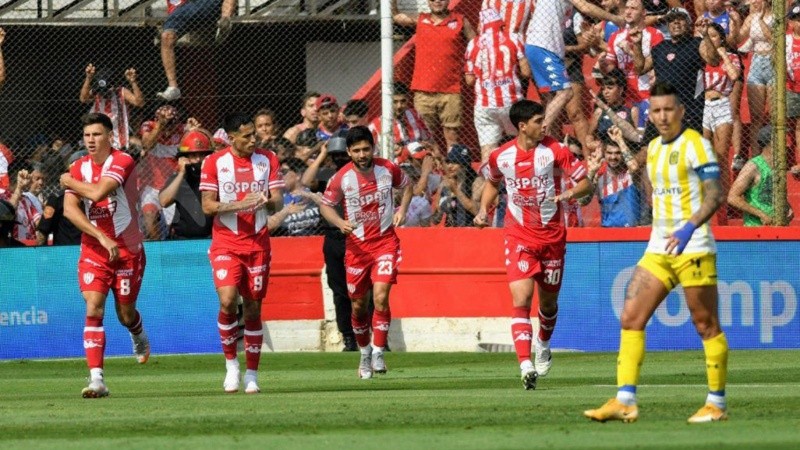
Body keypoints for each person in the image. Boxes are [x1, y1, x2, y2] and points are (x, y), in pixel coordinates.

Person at [584, 82, 728, 424]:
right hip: (658, 246)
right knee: (631, 317)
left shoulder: (696, 145)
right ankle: (625, 400)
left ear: (680, 111)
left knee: (705, 323)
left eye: (668, 110)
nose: (662, 116)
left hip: (692, 245)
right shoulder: (652, 149)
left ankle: (716, 403)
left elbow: (715, 195)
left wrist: (689, 226)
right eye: (656, 111)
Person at [474, 99, 592, 390]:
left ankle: (543, 343)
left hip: (552, 238)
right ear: (523, 126)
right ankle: (525, 365)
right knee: (521, 299)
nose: (545, 125)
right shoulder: (500, 157)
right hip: (519, 236)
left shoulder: (555, 150)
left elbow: (586, 183)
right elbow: (492, 183)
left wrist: (570, 195)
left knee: (548, 302)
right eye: (539, 121)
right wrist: (482, 211)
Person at [60, 113, 151, 398]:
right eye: (87, 135)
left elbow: (99, 192)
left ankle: (137, 333)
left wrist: (69, 181)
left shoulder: (122, 161)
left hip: (127, 250)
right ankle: (97, 379)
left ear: (110, 136)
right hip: (94, 249)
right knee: (93, 308)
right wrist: (99, 235)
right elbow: (69, 209)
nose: (90, 140)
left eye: (97, 135)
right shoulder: (78, 167)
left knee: (125, 314)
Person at [199, 113, 284, 394]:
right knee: (227, 300)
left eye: (253, 135)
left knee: (252, 309)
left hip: (258, 244)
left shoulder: (268, 159)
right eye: (246, 135)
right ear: (232, 137)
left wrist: (266, 201)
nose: (252, 140)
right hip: (226, 243)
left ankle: (253, 375)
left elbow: (277, 201)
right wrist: (238, 204)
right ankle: (232, 366)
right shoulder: (214, 163)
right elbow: (208, 207)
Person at [319, 126, 413, 378]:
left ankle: (380, 352)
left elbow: (408, 186)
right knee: (358, 305)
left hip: (385, 243)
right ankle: (365, 354)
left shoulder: (388, 169)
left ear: (373, 148)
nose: (362, 154)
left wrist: (402, 209)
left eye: (366, 149)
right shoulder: (341, 178)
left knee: (380, 296)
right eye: (357, 150)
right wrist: (339, 223)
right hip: (357, 249)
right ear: (349, 152)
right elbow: (326, 206)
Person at [525, 0, 621, 134]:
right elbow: (585, 7)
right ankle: (539, 132)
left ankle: (543, 134)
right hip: (543, 47)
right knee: (565, 93)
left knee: (555, 99)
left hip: (540, 47)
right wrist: (616, 19)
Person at [302, 136, 362, 351]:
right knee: (339, 289)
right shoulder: (327, 174)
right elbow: (306, 182)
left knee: (365, 288)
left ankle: (374, 333)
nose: (338, 159)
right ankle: (348, 336)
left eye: (340, 154)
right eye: (334, 155)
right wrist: (322, 154)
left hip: (358, 236)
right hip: (333, 237)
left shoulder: (360, 173)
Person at [392, 0, 477, 150]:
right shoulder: (420, 19)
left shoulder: (460, 20)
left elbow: (476, 45)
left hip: (451, 90)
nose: (437, 1)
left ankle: (453, 170)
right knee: (423, 136)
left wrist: (473, 69)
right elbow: (397, 16)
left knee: (452, 135)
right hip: (423, 91)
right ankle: (430, 172)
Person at [633, 7, 713, 145]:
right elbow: (640, 69)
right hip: (661, 111)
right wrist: (637, 44)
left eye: (681, 19)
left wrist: (706, 35)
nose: (676, 23)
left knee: (683, 155)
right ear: (667, 25)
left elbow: (713, 60)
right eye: (671, 20)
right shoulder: (660, 47)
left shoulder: (696, 44)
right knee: (647, 150)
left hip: (688, 113)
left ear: (688, 23)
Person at [465, 8, 531, 162]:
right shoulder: (513, 39)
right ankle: (523, 179)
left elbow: (469, 80)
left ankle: (488, 182)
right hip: (512, 101)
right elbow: (526, 72)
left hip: (484, 104)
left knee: (488, 153)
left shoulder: (473, 44)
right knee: (522, 144)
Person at [700, 20, 741, 224]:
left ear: (721, 38)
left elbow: (734, 75)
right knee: (704, 156)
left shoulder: (730, 57)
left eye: (714, 35)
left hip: (722, 104)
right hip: (704, 107)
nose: (711, 39)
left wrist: (723, 52)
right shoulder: (701, 58)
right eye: (708, 35)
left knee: (722, 156)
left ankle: (723, 206)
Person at [140, 105, 201, 240]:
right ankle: (156, 252)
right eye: (165, 124)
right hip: (152, 186)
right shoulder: (149, 126)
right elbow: (146, 145)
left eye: (171, 124)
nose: (168, 129)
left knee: (171, 230)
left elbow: (199, 151)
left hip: (173, 187)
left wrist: (194, 132)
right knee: (149, 221)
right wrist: (160, 125)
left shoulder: (183, 130)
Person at [601, 0, 664, 130]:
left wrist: (631, 51)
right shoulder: (615, 36)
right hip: (624, 97)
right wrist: (602, 64)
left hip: (647, 94)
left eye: (634, 8)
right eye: (627, 8)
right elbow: (611, 70)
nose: (628, 11)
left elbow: (652, 67)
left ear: (644, 13)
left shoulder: (655, 35)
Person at [156, 0, 236, 100]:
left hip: (206, 4)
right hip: (183, 8)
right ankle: (173, 88)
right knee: (167, 36)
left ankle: (225, 21)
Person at [727, 126, 793, 226]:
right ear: (771, 142)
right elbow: (732, 197)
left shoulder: (779, 166)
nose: (787, 144)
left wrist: (788, 207)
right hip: (756, 229)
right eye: (782, 139)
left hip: (778, 228)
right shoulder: (753, 166)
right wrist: (761, 214)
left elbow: (772, 193)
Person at [581, 127, 644, 227]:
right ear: (604, 154)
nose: (613, 157)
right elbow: (583, 201)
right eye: (609, 153)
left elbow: (634, 167)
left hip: (632, 232)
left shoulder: (630, 174)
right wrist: (591, 173)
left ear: (622, 154)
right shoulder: (599, 176)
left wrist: (620, 141)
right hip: (608, 232)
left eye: (617, 153)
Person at [159, 129, 215, 239]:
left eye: (202, 155)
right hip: (182, 238)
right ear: (184, 157)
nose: (198, 159)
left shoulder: (214, 176)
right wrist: (181, 174)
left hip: (210, 237)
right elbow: (164, 201)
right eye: (193, 155)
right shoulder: (180, 178)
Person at [79, 64, 144, 150]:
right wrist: (88, 78)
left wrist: (133, 82)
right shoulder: (96, 92)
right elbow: (83, 98)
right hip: (98, 134)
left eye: (106, 90)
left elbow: (139, 102)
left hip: (118, 136)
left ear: (113, 85)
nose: (103, 94)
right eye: (101, 91)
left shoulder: (121, 91)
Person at [38, 151, 86, 246]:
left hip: (91, 252)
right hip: (64, 253)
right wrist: (42, 258)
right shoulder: (57, 198)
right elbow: (43, 231)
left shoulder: (98, 195)